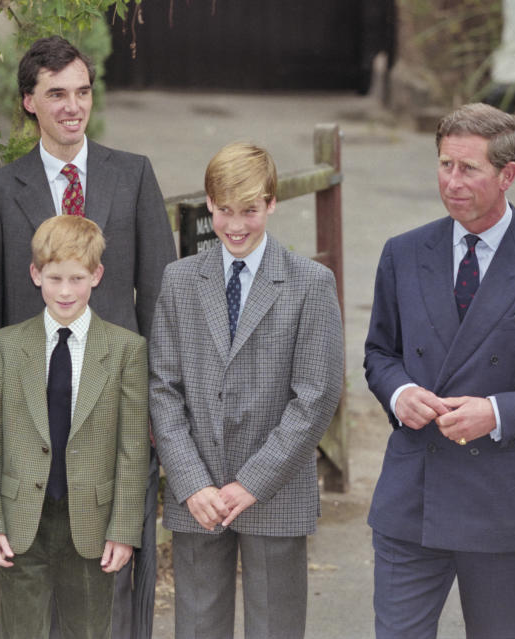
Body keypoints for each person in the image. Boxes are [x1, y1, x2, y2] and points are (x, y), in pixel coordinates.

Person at [363, 102, 515, 638]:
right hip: (413, 498)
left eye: (468, 168)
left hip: (507, 506)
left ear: (507, 175)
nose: (452, 181)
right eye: (445, 164)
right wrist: (400, 392)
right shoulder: (402, 254)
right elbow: (380, 353)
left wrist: (496, 412)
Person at [0, 35, 176, 638]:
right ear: (30, 101)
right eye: (56, 94)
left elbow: (158, 298)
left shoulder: (132, 176)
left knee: (109, 576)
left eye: (82, 91)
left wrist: (159, 407)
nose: (72, 106)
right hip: (32, 408)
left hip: (115, 411)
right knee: (31, 577)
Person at [149, 142, 344, 639]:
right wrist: (191, 481)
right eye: (225, 210)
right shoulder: (180, 280)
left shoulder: (310, 283)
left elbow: (316, 397)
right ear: (209, 203)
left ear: (272, 204)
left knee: (275, 626)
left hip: (274, 490)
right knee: (196, 626)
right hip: (199, 496)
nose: (237, 224)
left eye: (250, 211)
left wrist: (253, 482)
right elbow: (163, 389)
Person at [0, 214, 149, 638]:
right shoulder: (8, 346)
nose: (65, 291)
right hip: (21, 522)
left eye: (76, 278)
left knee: (87, 631)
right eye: (54, 278)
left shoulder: (126, 349)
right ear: (36, 275)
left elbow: (132, 449)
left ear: (97, 275)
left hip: (91, 522)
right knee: (20, 630)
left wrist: (124, 530)